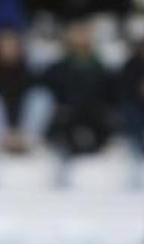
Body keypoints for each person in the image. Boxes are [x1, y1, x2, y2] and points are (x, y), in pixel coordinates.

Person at [41, 19, 116, 167]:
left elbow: (111, 96)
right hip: (66, 117)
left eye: (84, 35)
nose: (81, 40)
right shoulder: (56, 69)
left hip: (95, 117)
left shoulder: (103, 69)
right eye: (77, 35)